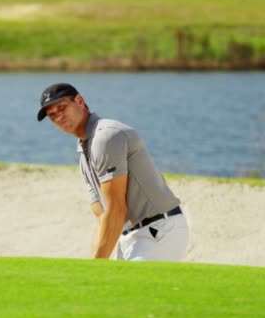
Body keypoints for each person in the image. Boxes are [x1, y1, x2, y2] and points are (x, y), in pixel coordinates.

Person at [37, 82, 189, 261]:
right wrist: (93, 262)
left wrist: (96, 266)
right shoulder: (84, 149)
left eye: (62, 107)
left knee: (131, 288)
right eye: (52, 115)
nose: (58, 117)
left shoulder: (106, 136)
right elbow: (102, 216)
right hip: (128, 236)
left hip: (158, 230)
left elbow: (116, 207)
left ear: (79, 101)